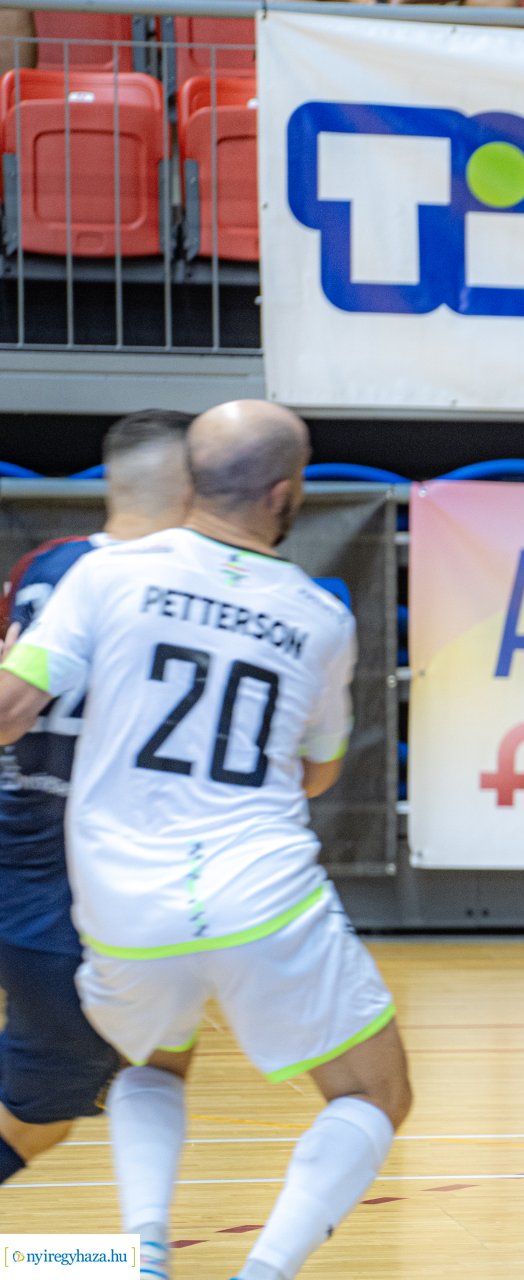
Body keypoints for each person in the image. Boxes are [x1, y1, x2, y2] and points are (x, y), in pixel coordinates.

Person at [0, 401, 413, 1280]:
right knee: (375, 1092)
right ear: (286, 493)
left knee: (151, 1057)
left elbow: (10, 711)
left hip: (116, 902)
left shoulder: (102, 575)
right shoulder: (319, 616)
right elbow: (318, 773)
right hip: (257, 890)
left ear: (191, 481)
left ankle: (141, 1251)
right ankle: (261, 1271)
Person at [0, 411, 192, 1189]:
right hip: (84, 891)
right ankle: (125, 1247)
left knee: (154, 1056)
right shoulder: (179, 586)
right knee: (49, 1112)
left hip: (22, 853)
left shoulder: (48, 564)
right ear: (193, 488)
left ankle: (135, 1245)